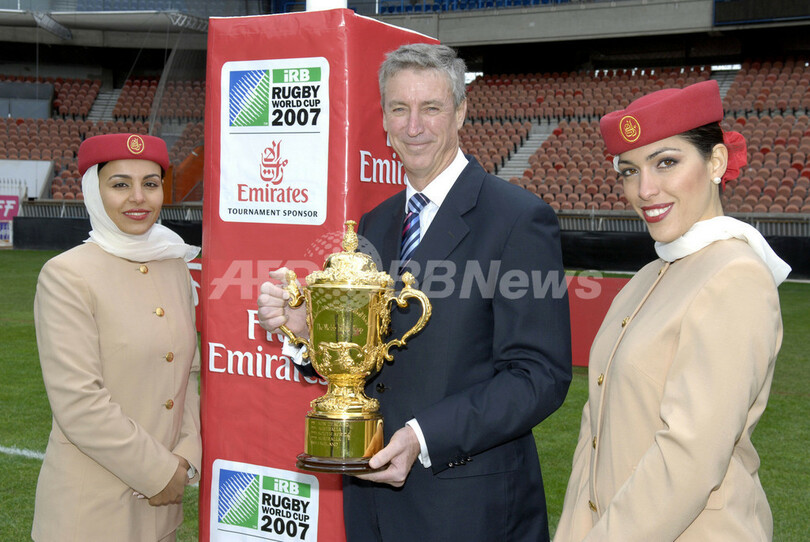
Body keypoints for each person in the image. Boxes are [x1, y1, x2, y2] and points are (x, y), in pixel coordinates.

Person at [257, 43, 572, 541]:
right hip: (371, 504)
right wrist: (307, 332)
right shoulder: (377, 223)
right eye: (399, 108)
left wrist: (422, 438)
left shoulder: (517, 218)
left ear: (461, 112)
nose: (413, 126)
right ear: (383, 118)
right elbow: (369, 359)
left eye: (431, 108)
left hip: (469, 508)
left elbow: (539, 376)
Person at [554, 80, 791, 542]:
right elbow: (594, 435)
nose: (644, 189)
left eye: (666, 162)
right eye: (628, 171)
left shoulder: (733, 275)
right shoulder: (647, 278)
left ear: (716, 161)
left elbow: (689, 457)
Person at [32, 133, 202, 542]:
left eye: (151, 183)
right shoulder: (67, 274)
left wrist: (185, 458)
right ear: (94, 191)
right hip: (89, 513)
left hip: (161, 515)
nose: (138, 198)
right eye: (120, 184)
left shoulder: (173, 264)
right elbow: (79, 403)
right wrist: (159, 473)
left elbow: (188, 376)